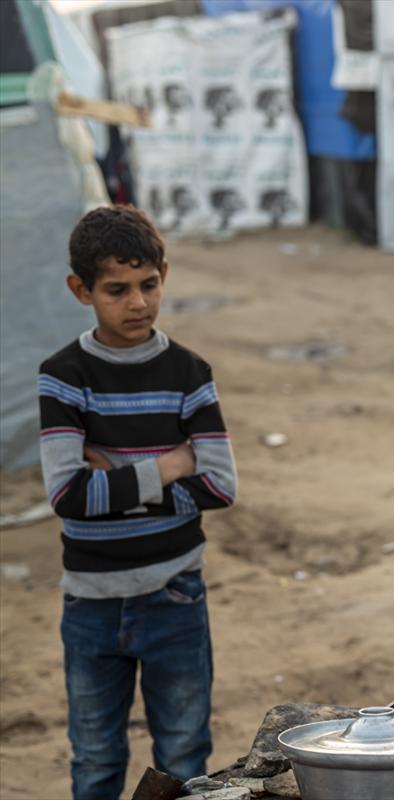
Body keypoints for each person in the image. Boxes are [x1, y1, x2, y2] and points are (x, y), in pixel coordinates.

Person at [38, 205, 238, 800]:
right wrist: (170, 464)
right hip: (91, 603)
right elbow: (69, 495)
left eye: (149, 285)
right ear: (81, 290)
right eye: (116, 290)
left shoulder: (189, 373)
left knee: (183, 756)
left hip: (176, 593)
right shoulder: (63, 376)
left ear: (164, 275)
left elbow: (220, 486)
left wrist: (115, 480)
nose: (138, 303)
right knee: (96, 760)